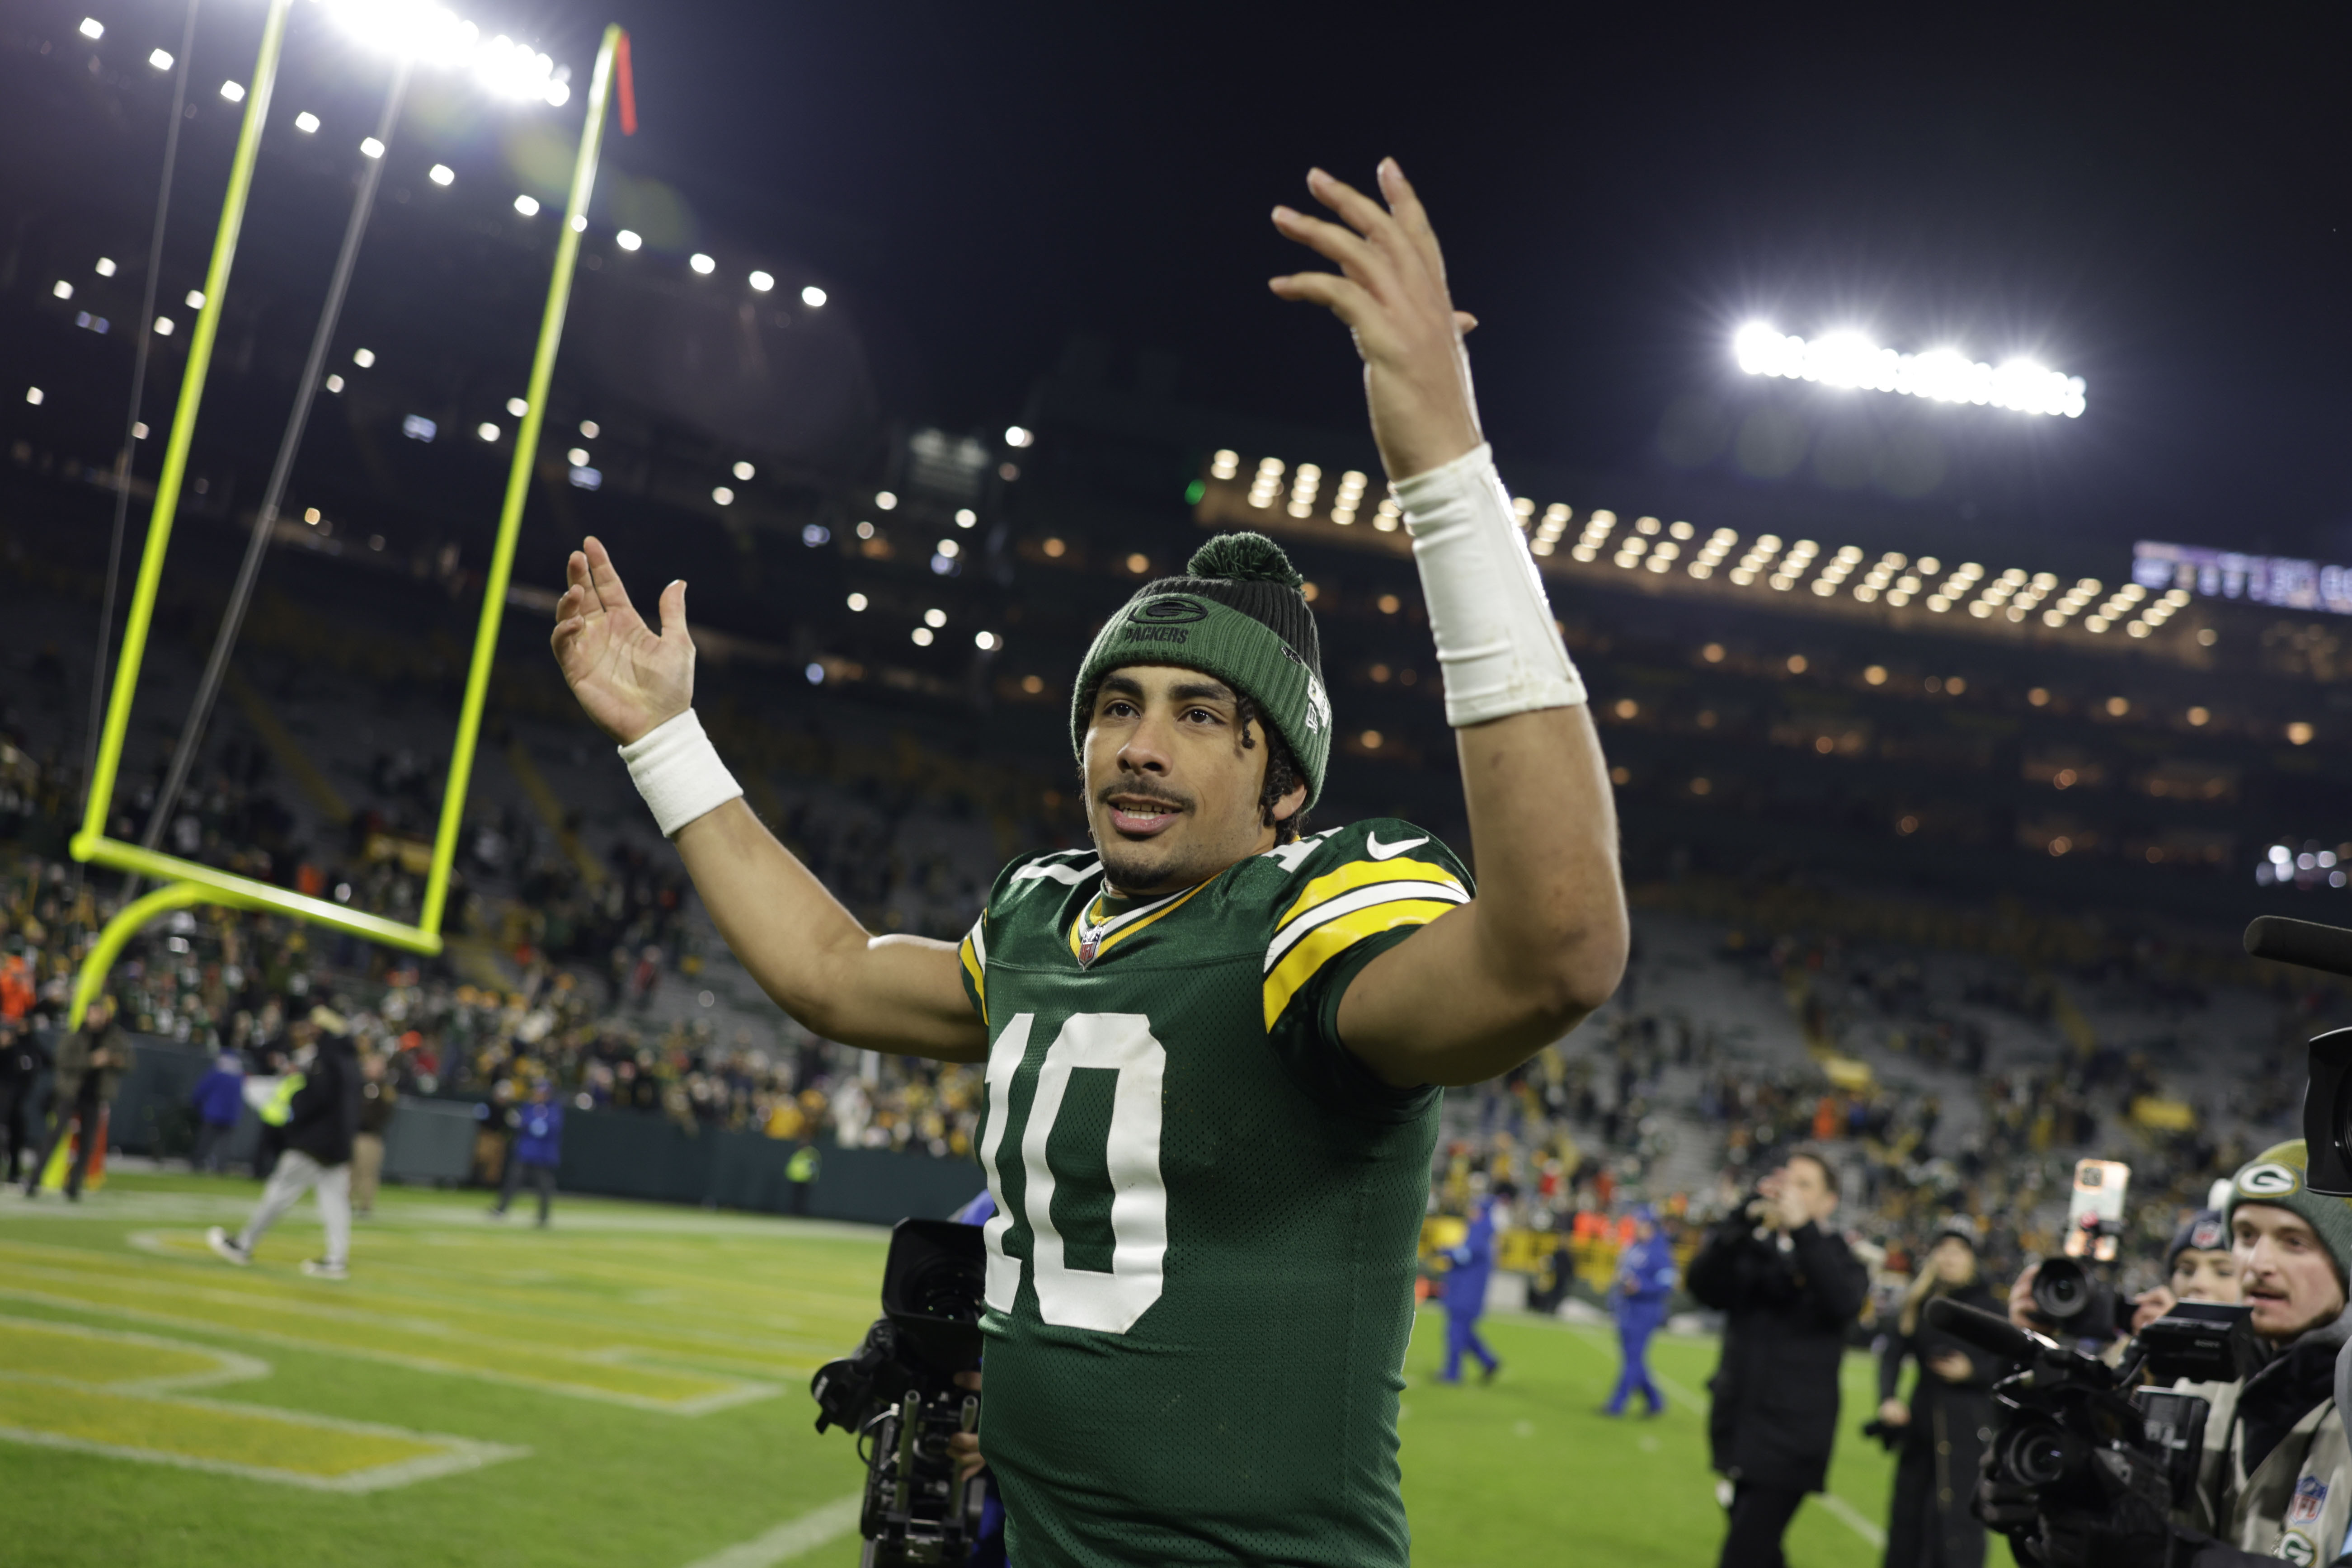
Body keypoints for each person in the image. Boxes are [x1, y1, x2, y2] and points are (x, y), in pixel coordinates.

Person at [547, 158, 1628, 1567]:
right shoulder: (1045, 912)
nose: (1138, 745)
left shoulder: (1310, 914)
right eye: (1116, 705)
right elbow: (828, 973)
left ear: (1284, 784)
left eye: (1198, 716)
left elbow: (1556, 945)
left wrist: (1440, 463)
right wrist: (669, 742)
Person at [1982, 1142, 2352, 1568]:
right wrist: (2045, 1492)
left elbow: (2154, 1546)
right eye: (2247, 1236)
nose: (2258, 1262)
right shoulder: (2208, 1381)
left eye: (2294, 1241)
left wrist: (2169, 1556)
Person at [1687, 1149, 1868, 1568]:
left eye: (1806, 1184)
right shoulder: (1755, 1247)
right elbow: (1702, 1286)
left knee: (1742, 1554)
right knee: (1762, 1552)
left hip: (1792, 1437)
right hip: (1740, 1426)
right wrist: (1740, 1219)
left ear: (1829, 1202)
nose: (1791, 1190)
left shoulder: (1843, 1256)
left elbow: (1842, 1304)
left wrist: (1804, 1231)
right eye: (1789, 1180)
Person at [1877, 1218, 2001, 1568]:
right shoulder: (1919, 1303)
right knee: (1908, 1525)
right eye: (1943, 1249)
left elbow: (2006, 1368)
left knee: (1956, 1530)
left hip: (1967, 1434)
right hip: (1920, 1432)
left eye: (1959, 1250)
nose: (1950, 1257)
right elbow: (1891, 1355)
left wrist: (1972, 1371)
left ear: (1972, 1258)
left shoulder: (1989, 1307)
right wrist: (1888, 1398)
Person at [206, 1008, 362, 1279]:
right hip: (338, 1144)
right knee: (335, 1201)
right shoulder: (350, 1062)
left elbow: (316, 1098)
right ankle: (337, 1260)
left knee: (280, 1191)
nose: (311, 1031)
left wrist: (297, 1109)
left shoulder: (328, 1060)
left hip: (315, 1142)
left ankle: (243, 1244)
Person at [22, 998, 127, 1201]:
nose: (97, 1017)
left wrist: (113, 1060)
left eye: (100, 1013)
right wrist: (91, 1061)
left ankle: (73, 1187)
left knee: (87, 1143)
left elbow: (129, 1062)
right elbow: (62, 1061)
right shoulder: (76, 1035)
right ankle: (34, 1181)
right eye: (94, 1012)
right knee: (54, 1137)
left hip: (95, 1095)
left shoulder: (114, 1037)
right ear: (87, 1014)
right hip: (71, 1093)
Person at [1605, 1203, 1678, 1417]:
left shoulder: (1660, 1251)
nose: (1637, 1226)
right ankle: (1655, 1401)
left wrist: (1641, 1288)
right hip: (1629, 1308)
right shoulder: (1635, 1247)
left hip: (1646, 1311)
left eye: (1641, 1222)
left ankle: (1617, 1404)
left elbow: (1667, 1284)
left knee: (1633, 1359)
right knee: (1634, 1359)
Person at [1436, 1189, 1504, 1384]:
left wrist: (1444, 1252)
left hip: (1465, 1294)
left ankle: (1453, 1373)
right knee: (1465, 1334)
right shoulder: (1483, 1232)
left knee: (1456, 1333)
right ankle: (1489, 1362)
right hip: (1467, 1293)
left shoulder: (1479, 1232)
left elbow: (1464, 1255)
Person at [489, 1078, 561, 1226]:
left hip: (543, 1155)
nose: (539, 1094)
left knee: (544, 1186)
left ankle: (543, 1217)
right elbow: (522, 1123)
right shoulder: (528, 1107)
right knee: (513, 1181)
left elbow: (552, 1128)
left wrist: (531, 1125)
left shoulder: (554, 1109)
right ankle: (501, 1210)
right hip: (525, 1152)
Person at [0, 1021, 47, 1184]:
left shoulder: (27, 1047)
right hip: (4, 1103)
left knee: (16, 1138)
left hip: (16, 1105)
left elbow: (47, 1060)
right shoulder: (8, 1051)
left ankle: (14, 1173)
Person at [351, 1051, 395, 1216]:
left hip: (371, 1136)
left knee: (368, 1173)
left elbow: (385, 1112)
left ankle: (365, 1206)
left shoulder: (385, 1089)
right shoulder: (359, 1085)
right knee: (350, 1172)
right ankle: (347, 1202)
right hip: (354, 1134)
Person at [189, 1049, 245, 1174]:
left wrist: (195, 1103)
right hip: (231, 1115)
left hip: (213, 1113)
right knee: (224, 1145)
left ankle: (198, 1163)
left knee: (206, 1140)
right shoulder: (238, 1076)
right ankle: (221, 1167)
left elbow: (202, 1090)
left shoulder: (217, 1073)